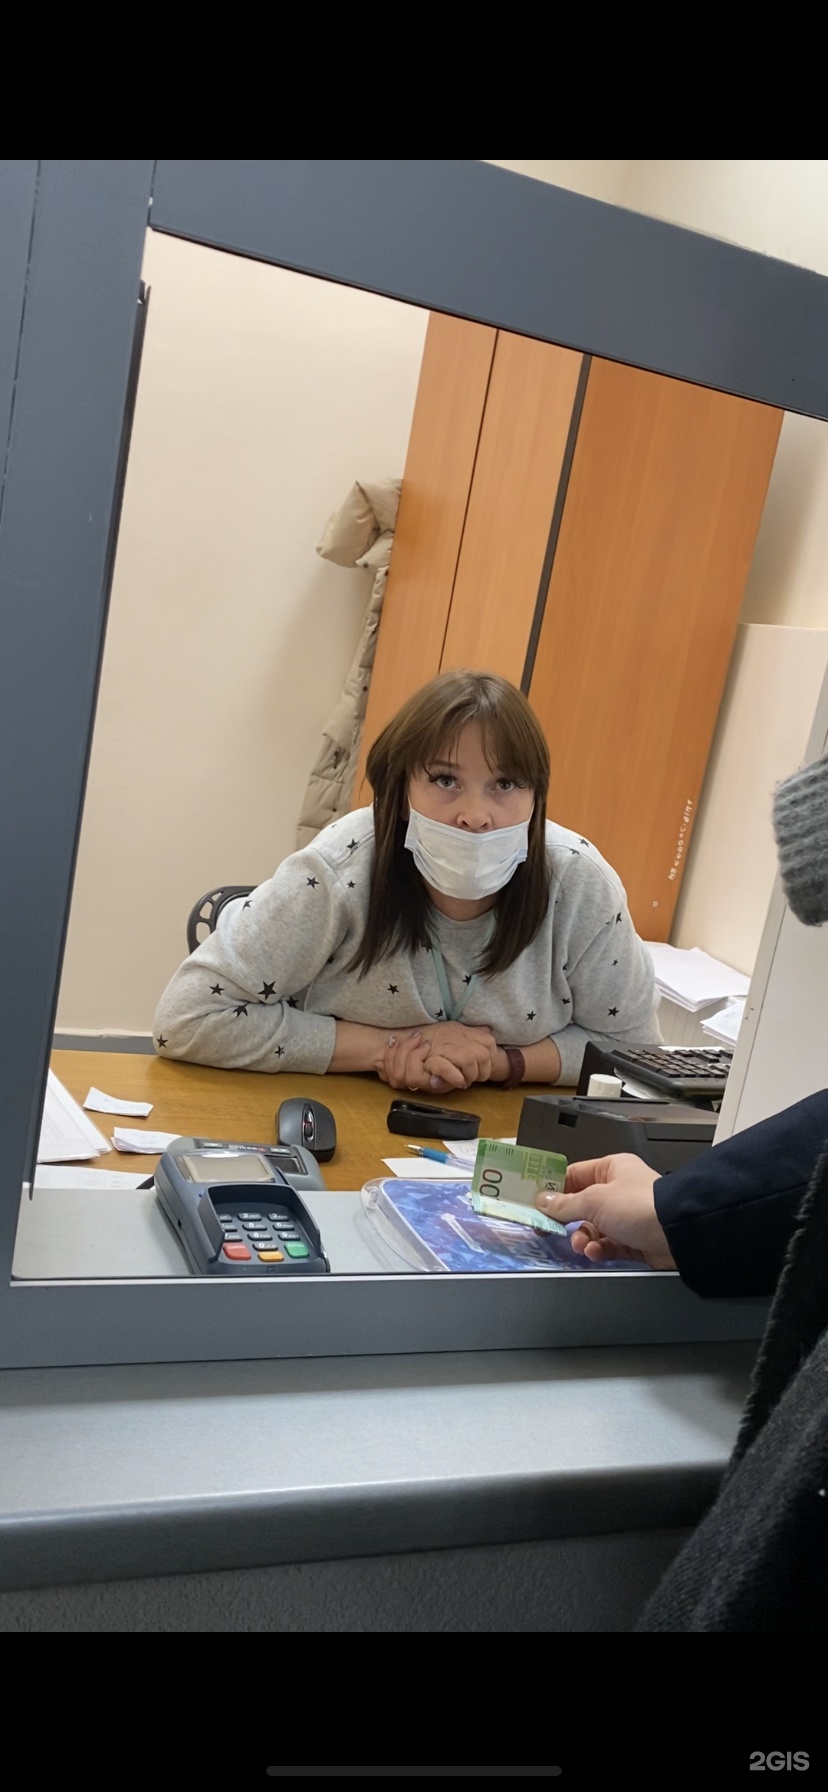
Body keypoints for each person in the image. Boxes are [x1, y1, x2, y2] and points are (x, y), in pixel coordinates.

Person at [536, 746, 828, 1630]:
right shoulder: (341, 867)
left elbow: (618, 1035)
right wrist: (680, 1211)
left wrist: (679, 1209)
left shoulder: (576, 877)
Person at [153, 669, 660, 1090]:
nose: (475, 815)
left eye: (505, 784)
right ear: (399, 792)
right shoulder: (339, 867)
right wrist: (389, 1049)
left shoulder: (579, 882)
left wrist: (502, 1063)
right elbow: (186, 1019)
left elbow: (637, 1052)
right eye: (445, 780)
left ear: (536, 798)